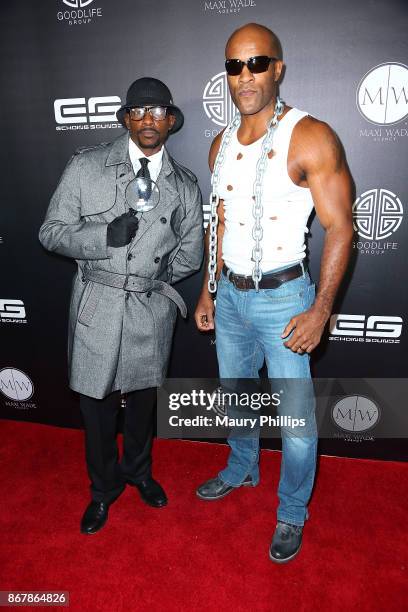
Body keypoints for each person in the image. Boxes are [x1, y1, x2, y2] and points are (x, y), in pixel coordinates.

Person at [194, 23, 353, 563]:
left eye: (257, 63)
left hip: (285, 300)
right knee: (235, 398)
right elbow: (217, 222)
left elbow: (341, 226)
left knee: (298, 425)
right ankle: (241, 469)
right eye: (235, 65)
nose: (245, 76)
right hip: (231, 299)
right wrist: (209, 290)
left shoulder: (310, 135)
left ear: (277, 68)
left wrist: (321, 308)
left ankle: (291, 511)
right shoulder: (218, 143)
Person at [39, 77, 203, 534]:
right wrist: (100, 239)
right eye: (138, 112)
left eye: (157, 113)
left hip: (150, 309)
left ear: (170, 121)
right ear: (126, 118)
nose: (148, 121)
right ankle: (103, 490)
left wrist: (152, 283)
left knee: (145, 404)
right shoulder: (87, 166)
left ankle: (139, 473)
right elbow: (50, 232)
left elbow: (191, 252)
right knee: (97, 407)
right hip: (98, 304)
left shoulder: (185, 184)